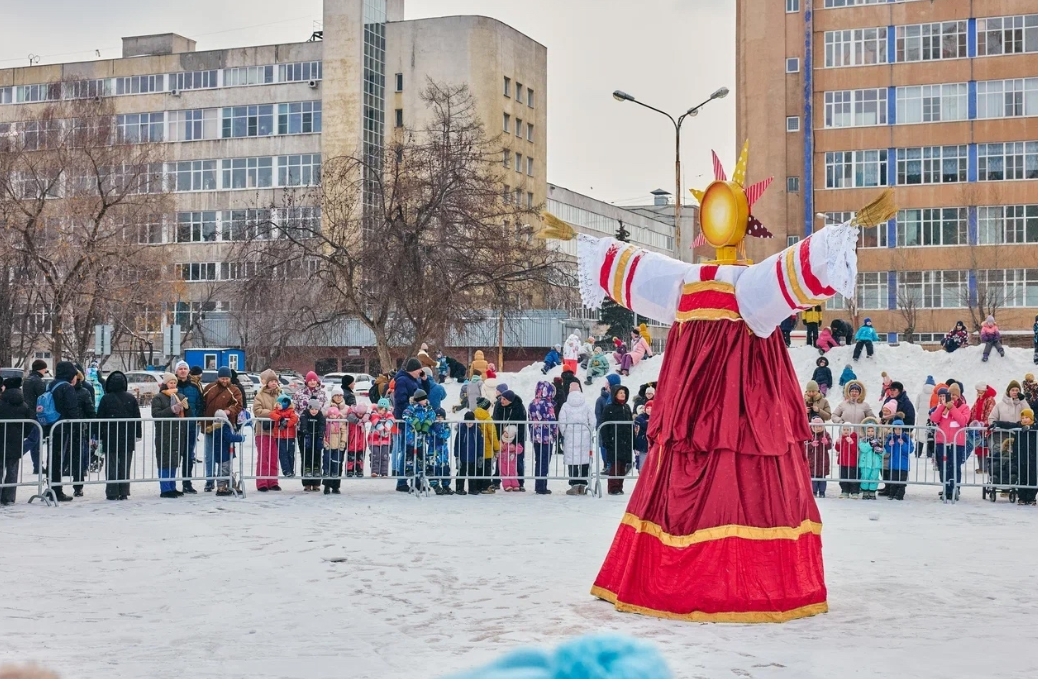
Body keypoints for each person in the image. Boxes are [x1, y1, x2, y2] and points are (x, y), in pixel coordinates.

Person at [96, 371, 142, 502]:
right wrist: (138, 434)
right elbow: (137, 417)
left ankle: (112, 491)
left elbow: (100, 418)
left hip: (110, 436)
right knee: (125, 464)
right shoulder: (130, 398)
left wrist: (98, 435)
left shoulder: (106, 398)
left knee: (112, 464)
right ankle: (123, 491)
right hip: (127, 436)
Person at [46, 361, 83, 502]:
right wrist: (77, 425)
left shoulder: (52, 384)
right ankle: (56, 489)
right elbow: (72, 409)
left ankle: (52, 486)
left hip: (52, 425)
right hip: (62, 427)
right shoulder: (66, 387)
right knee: (58, 459)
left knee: (53, 458)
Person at [393, 358, 432, 492]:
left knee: (417, 451)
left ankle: (416, 479)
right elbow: (400, 400)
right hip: (407, 422)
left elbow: (424, 395)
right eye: (419, 369)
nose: (420, 371)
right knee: (406, 451)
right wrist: (411, 413)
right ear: (413, 370)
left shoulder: (414, 380)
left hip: (417, 423)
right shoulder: (403, 380)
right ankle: (402, 481)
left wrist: (425, 380)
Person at [202, 367, 244, 492]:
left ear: (230, 378)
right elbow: (202, 403)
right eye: (222, 378)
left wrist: (229, 411)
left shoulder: (234, 390)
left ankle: (226, 480)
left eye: (226, 378)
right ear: (218, 377)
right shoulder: (209, 387)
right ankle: (210, 480)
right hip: (210, 426)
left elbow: (238, 405)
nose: (224, 380)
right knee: (209, 455)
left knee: (225, 456)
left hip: (226, 427)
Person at [0, 377, 35, 506]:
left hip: (1, 439)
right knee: (13, 469)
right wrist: (22, 434)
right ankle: (9, 497)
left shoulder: (1, 403)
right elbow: (29, 424)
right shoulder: (24, 404)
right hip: (15, 440)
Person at [931, 386, 969, 502]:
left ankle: (955, 488)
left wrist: (952, 408)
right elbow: (934, 418)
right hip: (942, 441)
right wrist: (943, 405)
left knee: (955, 466)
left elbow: (963, 421)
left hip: (957, 442)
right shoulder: (941, 407)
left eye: (954, 395)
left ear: (958, 396)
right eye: (950, 394)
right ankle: (946, 488)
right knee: (944, 467)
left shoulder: (964, 407)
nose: (952, 397)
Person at [152, 373, 187, 499]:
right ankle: (165, 488)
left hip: (177, 433)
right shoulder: (159, 398)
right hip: (164, 433)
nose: (172, 384)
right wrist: (172, 409)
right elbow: (156, 414)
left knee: (174, 461)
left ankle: (172, 486)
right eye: (170, 382)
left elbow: (186, 414)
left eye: (174, 382)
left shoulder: (180, 396)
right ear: (165, 384)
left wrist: (185, 408)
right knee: (164, 461)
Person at [558, 384, 595, 496]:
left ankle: (574, 484)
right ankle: (583, 484)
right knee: (584, 460)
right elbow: (592, 419)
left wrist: (564, 432)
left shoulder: (565, 405)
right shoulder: (586, 404)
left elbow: (562, 420)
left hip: (571, 436)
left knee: (572, 460)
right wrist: (589, 430)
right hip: (584, 436)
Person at [599, 384, 634, 496]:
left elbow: (630, 425)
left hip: (626, 440)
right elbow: (604, 425)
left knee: (623, 465)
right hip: (614, 440)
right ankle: (613, 487)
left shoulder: (627, 407)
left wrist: (633, 439)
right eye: (620, 393)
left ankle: (620, 486)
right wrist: (606, 440)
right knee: (615, 464)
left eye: (624, 393)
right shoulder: (609, 407)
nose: (623, 395)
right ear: (615, 394)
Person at [251, 369, 281, 492]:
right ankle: (262, 482)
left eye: (275, 381)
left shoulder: (280, 394)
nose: (274, 383)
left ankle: (273, 481)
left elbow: (288, 407)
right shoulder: (260, 395)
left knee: (274, 456)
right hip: (263, 430)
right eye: (271, 381)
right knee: (263, 457)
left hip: (276, 431)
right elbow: (257, 410)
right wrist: (272, 414)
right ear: (266, 382)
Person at [493, 389, 528, 491]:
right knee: (501, 460)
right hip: (503, 437)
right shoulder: (498, 405)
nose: (501, 401)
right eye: (501, 398)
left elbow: (521, 427)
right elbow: (496, 423)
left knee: (518, 460)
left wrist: (515, 443)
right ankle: (497, 481)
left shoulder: (519, 407)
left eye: (504, 399)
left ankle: (520, 482)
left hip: (516, 437)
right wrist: (499, 439)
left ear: (510, 400)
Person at [402, 389, 435, 493]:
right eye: (423, 399)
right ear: (419, 399)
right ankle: (409, 469)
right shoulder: (412, 408)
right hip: (411, 437)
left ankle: (423, 472)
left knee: (421, 455)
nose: (425, 400)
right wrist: (415, 422)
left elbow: (432, 414)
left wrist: (427, 424)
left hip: (421, 437)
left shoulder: (427, 408)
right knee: (410, 454)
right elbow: (405, 415)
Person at [70, 369, 96, 497]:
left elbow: (90, 411)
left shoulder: (84, 391)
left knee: (76, 458)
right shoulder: (83, 391)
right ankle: (77, 486)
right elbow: (90, 411)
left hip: (77, 429)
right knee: (76, 458)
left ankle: (78, 486)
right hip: (74, 428)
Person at [528, 381, 557, 495]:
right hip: (546, 436)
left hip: (536, 436)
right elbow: (552, 420)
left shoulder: (532, 403)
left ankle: (538, 484)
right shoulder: (548, 404)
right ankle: (542, 486)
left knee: (538, 460)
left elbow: (530, 419)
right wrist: (555, 433)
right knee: (545, 461)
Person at [210, 409, 244, 497]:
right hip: (225, 452)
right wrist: (240, 438)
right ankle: (221, 487)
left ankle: (231, 484)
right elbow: (229, 437)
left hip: (221, 452)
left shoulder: (215, 427)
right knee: (224, 469)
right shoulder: (224, 426)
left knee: (227, 469)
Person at [22, 360, 47, 474]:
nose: (45, 371)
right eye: (44, 368)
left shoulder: (27, 380)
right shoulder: (38, 381)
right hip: (37, 413)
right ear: (41, 369)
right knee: (33, 439)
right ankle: (16, 454)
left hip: (28, 412)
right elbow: (43, 398)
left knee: (35, 441)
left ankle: (37, 466)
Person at [968, 383, 997, 474]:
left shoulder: (990, 400)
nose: (977, 392)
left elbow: (989, 413)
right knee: (979, 447)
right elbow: (973, 410)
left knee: (984, 448)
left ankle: (985, 468)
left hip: (984, 428)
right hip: (978, 427)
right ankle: (981, 467)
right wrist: (970, 421)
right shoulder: (979, 399)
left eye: (978, 390)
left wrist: (983, 424)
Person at [473, 397, 500, 495]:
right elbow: (492, 435)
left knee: (478, 468)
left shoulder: (474, 417)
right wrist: (497, 448)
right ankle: (486, 486)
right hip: (487, 449)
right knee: (487, 469)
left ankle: (477, 485)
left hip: (476, 449)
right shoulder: (488, 419)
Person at [269, 395, 297, 486]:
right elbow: (271, 414)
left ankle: (291, 470)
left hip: (290, 436)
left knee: (290, 453)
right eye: (278, 403)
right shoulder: (276, 411)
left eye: (280, 403)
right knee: (282, 453)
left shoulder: (291, 411)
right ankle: (286, 470)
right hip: (279, 436)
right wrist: (280, 418)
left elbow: (295, 418)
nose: (278, 405)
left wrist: (286, 424)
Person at [299, 399, 326, 492]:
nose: (314, 411)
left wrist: (321, 434)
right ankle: (306, 483)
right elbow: (303, 423)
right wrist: (305, 432)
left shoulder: (320, 415)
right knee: (306, 457)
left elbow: (322, 424)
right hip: (306, 438)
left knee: (317, 458)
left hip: (316, 437)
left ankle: (316, 483)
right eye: (312, 409)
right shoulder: (305, 414)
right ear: (308, 408)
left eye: (316, 409)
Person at [454, 412, 484, 496]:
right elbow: (457, 444)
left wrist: (480, 455)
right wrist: (457, 456)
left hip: (473, 456)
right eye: (467, 422)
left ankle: (472, 488)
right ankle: (459, 488)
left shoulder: (477, 430)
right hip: (462, 456)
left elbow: (480, 443)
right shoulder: (461, 430)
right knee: (461, 472)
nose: (469, 424)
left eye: (470, 422)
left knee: (472, 472)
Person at [1013, 408, 1037, 505]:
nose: (1024, 420)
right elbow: (1008, 424)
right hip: (1021, 456)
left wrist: (1030, 428)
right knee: (1022, 476)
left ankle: (1031, 497)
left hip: (1033, 457)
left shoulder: (1035, 426)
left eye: (1027, 417)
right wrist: (997, 423)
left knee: (1032, 477)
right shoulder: (1019, 426)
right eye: (1023, 418)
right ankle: (1022, 497)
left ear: (1031, 418)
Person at [428, 409, 454, 495]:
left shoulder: (445, 426)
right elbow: (429, 436)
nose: (439, 419)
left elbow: (445, 434)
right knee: (433, 467)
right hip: (433, 450)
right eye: (437, 417)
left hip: (443, 451)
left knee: (445, 467)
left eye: (441, 417)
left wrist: (438, 428)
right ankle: (435, 485)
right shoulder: (431, 427)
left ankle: (446, 485)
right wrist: (435, 427)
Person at [884, 419, 911, 501]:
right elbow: (888, 450)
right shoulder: (891, 437)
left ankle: (900, 495)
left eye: (899, 429)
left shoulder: (906, 438)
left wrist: (903, 444)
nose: (897, 431)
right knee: (893, 480)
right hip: (893, 464)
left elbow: (910, 450)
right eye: (895, 429)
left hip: (903, 465)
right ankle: (892, 494)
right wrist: (889, 445)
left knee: (902, 481)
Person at [806, 417, 831, 498]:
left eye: (820, 426)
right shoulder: (809, 435)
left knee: (822, 478)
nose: (818, 428)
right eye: (816, 426)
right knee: (813, 477)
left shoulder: (826, 434)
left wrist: (827, 443)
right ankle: (813, 491)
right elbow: (803, 446)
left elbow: (830, 445)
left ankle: (822, 491)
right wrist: (811, 445)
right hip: (812, 460)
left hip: (823, 460)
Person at [858, 418, 883, 500]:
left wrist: (879, 450)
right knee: (865, 477)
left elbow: (883, 452)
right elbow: (863, 448)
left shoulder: (879, 441)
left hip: (875, 464)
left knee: (874, 477)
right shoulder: (863, 441)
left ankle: (872, 491)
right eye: (868, 431)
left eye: (872, 431)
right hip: (865, 463)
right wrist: (870, 444)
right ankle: (865, 491)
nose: (870, 433)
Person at [367, 398, 394, 478]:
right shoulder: (373, 414)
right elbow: (374, 419)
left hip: (385, 440)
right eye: (380, 409)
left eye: (383, 409)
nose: (381, 411)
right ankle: (374, 471)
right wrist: (380, 427)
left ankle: (384, 472)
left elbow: (392, 419)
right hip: (374, 439)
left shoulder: (388, 415)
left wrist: (388, 424)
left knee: (384, 455)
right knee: (376, 455)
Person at [344, 404, 369, 480]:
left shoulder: (364, 419)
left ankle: (359, 470)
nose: (360, 415)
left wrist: (367, 415)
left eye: (362, 414)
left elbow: (371, 413)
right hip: (352, 441)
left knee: (360, 457)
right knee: (351, 457)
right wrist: (358, 421)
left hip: (361, 442)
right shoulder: (352, 415)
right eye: (359, 413)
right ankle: (349, 470)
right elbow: (350, 416)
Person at [836, 424, 859, 499]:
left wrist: (851, 443)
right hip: (843, 462)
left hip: (852, 463)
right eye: (844, 430)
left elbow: (855, 451)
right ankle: (845, 491)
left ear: (851, 431)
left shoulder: (854, 439)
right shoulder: (841, 438)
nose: (846, 431)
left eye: (848, 430)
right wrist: (837, 443)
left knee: (852, 477)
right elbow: (838, 449)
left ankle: (854, 492)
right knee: (843, 477)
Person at [499, 425, 523, 491]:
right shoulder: (501, 441)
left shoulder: (513, 442)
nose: (505, 434)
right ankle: (506, 485)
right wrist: (500, 448)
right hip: (502, 460)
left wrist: (514, 449)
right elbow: (497, 447)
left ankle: (515, 485)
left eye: (507, 433)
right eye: (505, 432)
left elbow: (520, 449)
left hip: (511, 461)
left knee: (513, 472)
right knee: (504, 473)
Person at [633, 402, 651, 470]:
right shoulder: (640, 417)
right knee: (641, 466)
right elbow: (641, 422)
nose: (649, 410)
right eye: (647, 408)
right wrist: (648, 423)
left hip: (652, 445)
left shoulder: (656, 416)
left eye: (651, 408)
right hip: (642, 445)